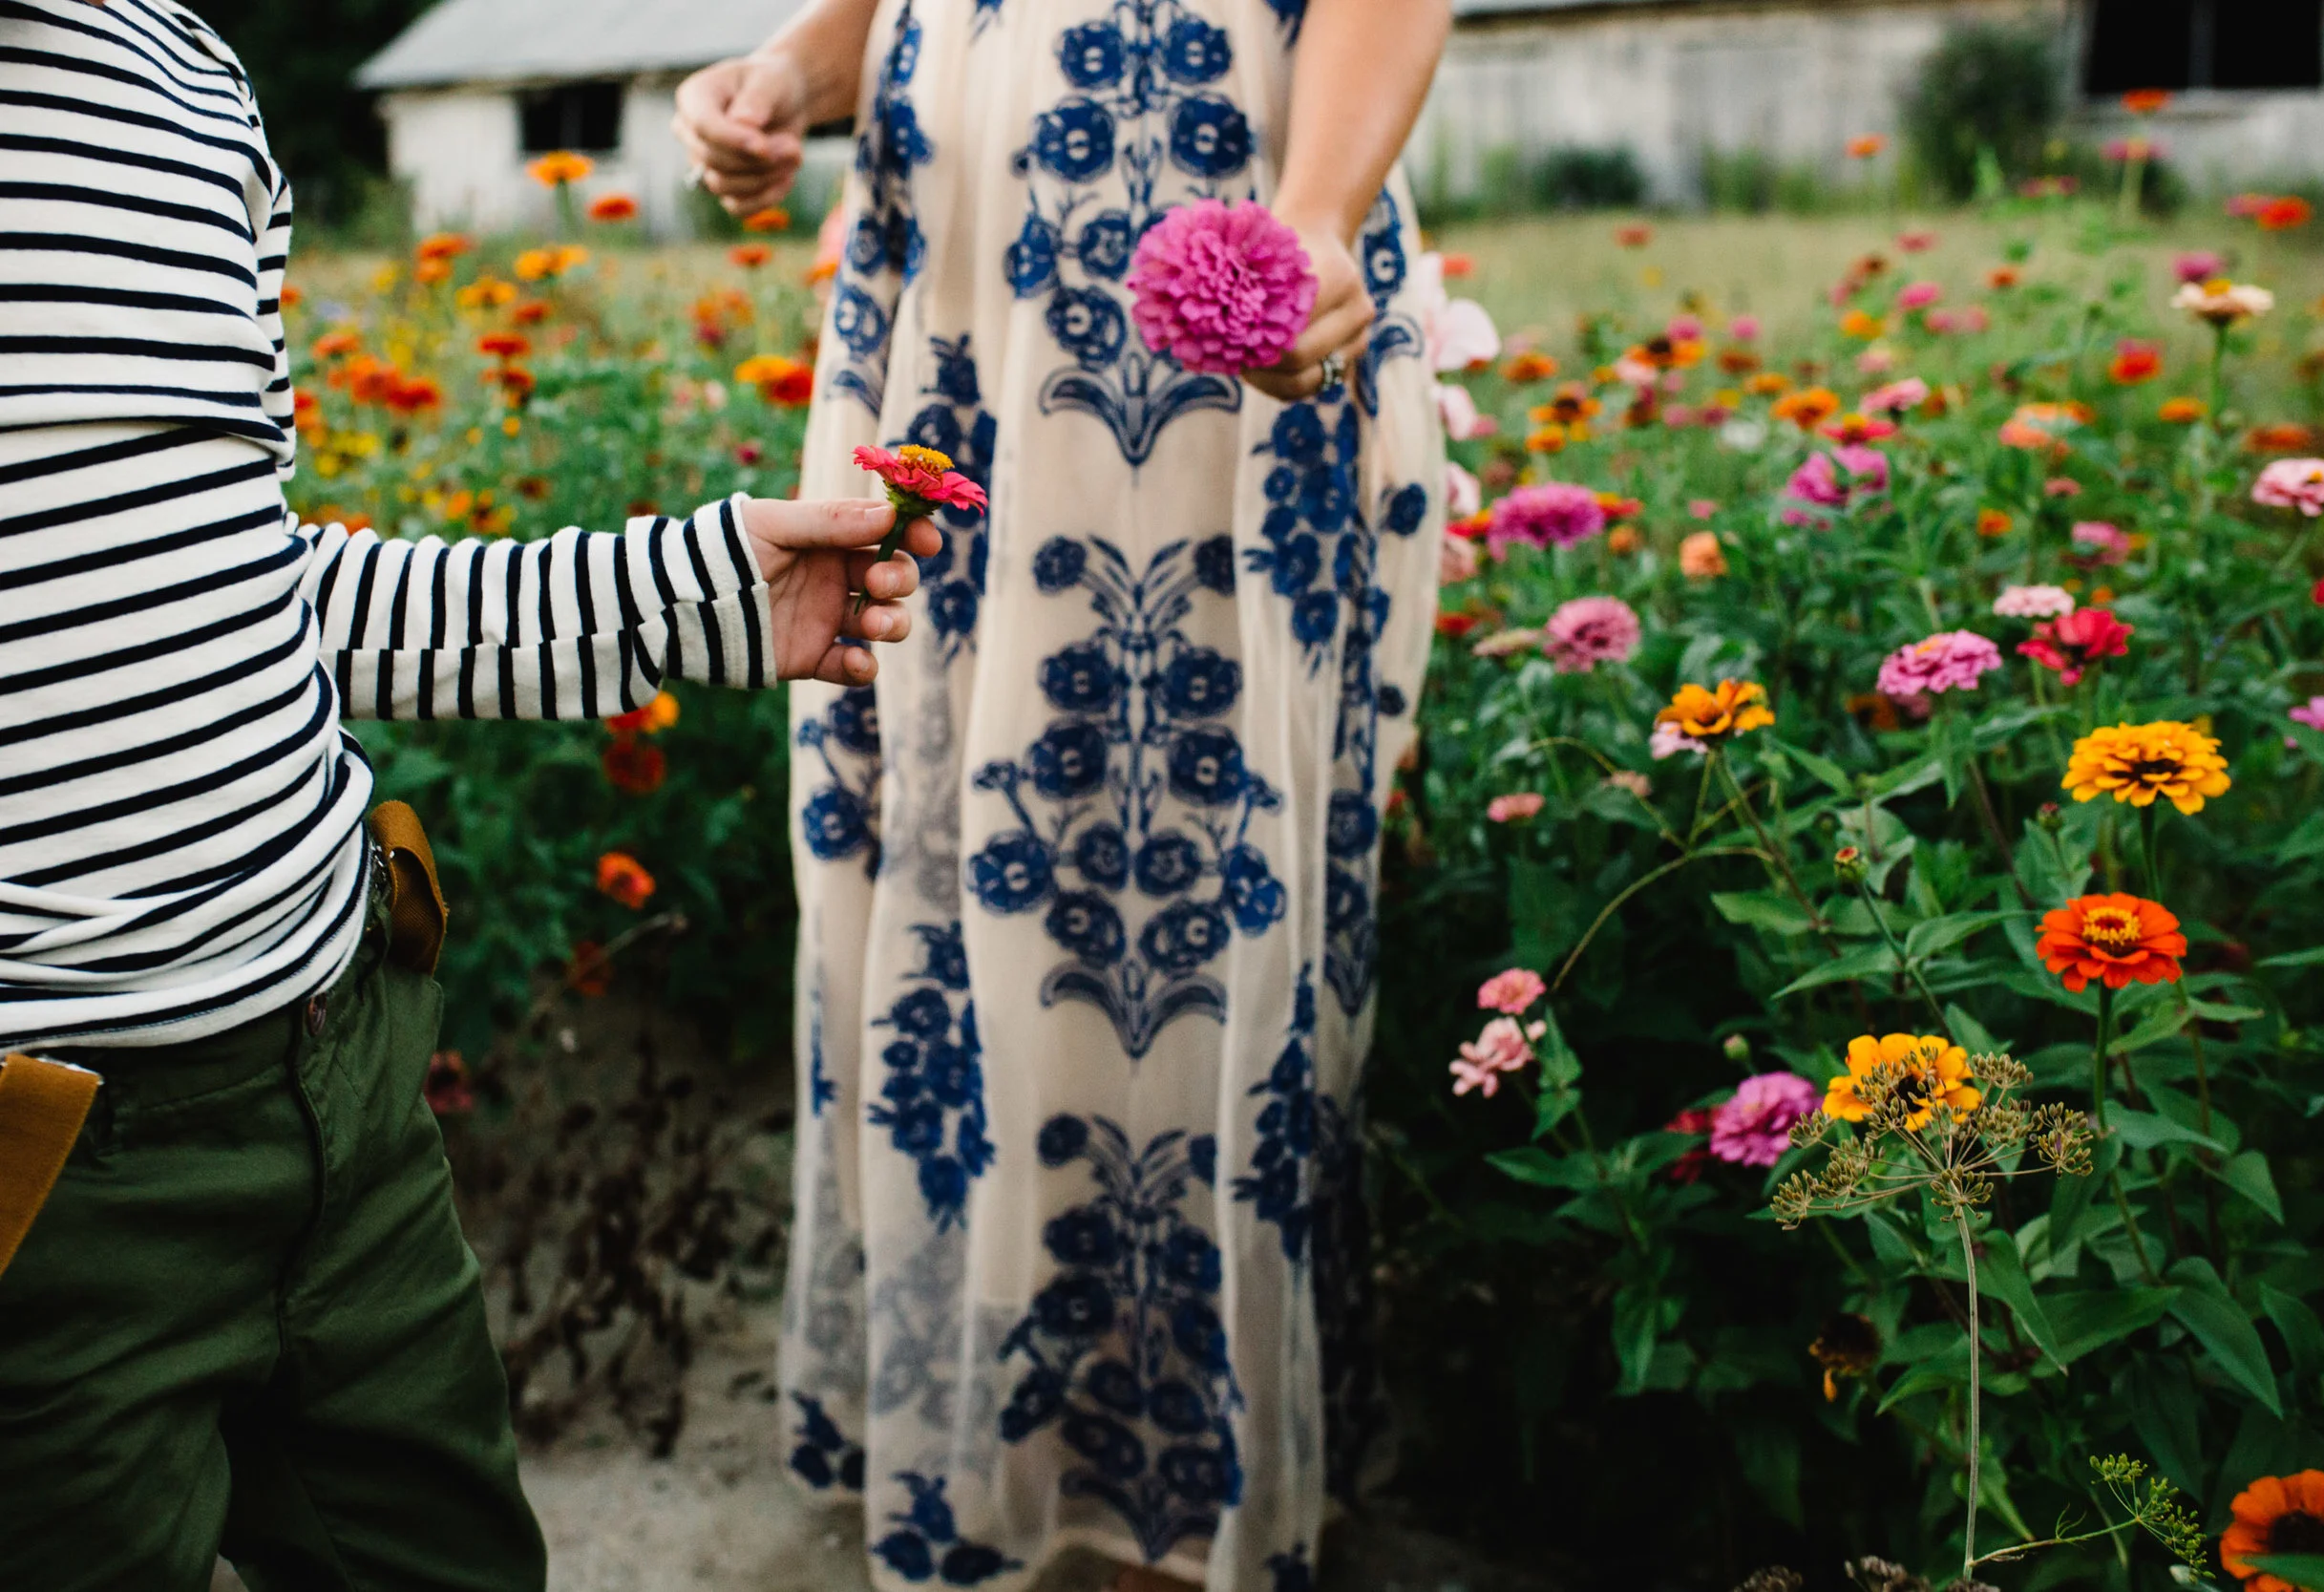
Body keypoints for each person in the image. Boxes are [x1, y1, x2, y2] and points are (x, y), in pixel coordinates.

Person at [0, 3, 936, 1587]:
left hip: (334, 1056)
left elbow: (242, 583)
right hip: (47, 1179)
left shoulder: (173, 73)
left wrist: (687, 593)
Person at [674, 1, 1451, 1585]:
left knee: (1197, 849)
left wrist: (1315, 213)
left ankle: (1182, 1484)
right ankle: (996, 1448)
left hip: (1225, 281)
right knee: (951, 852)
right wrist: (779, 83)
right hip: (948, 314)